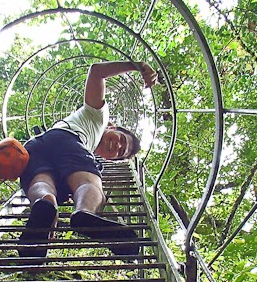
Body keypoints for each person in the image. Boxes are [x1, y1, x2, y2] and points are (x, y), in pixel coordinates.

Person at [18, 60, 157, 261]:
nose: (117, 147)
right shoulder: (98, 117)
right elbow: (96, 72)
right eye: (121, 140)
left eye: (120, 153)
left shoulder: (87, 146)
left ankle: (45, 202)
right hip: (68, 139)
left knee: (42, 184)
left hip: (35, 146)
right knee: (89, 183)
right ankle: (84, 213)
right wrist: (138, 66)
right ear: (112, 126)